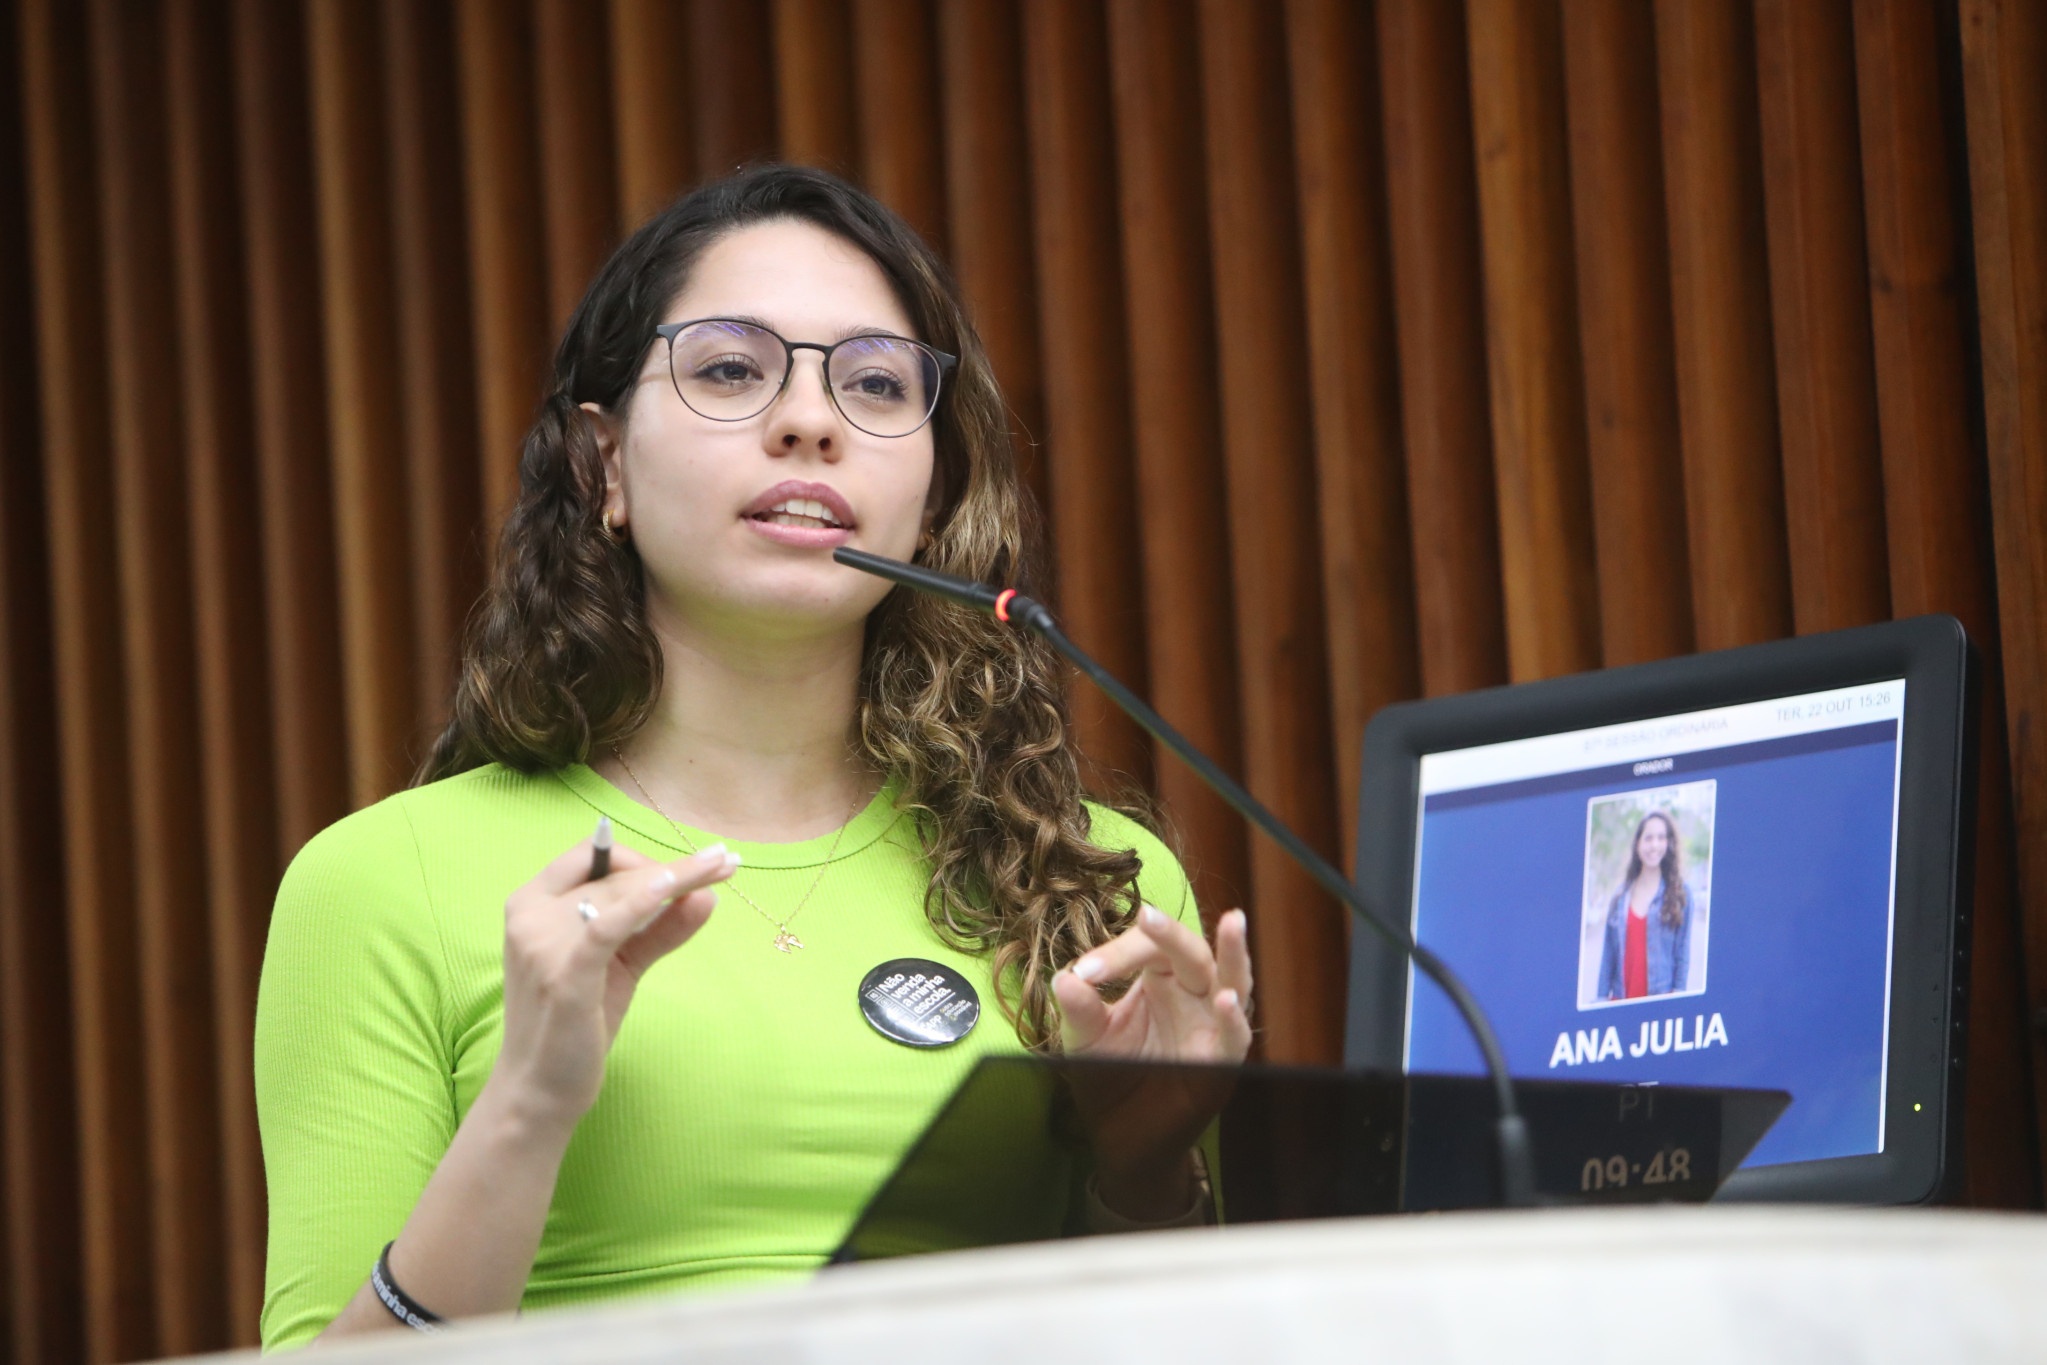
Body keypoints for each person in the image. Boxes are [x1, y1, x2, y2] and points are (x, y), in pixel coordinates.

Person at [255, 166, 1254, 1347]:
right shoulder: (384, 880)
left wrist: (1147, 1173)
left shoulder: (1096, 890)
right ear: (604, 465)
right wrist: (530, 1103)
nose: (810, 420)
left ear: (931, 501)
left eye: (876, 384)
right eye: (732, 369)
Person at [1596, 811, 1693, 1001]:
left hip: (1659, 1006)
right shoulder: (1619, 898)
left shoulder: (1681, 894)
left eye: (1661, 838)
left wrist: (1678, 1001)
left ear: (1669, 843)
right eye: (1648, 838)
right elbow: (1608, 957)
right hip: (1621, 1002)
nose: (1654, 845)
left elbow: (1682, 956)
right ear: (1638, 844)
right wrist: (1600, 1001)